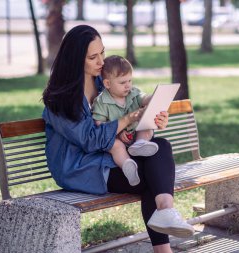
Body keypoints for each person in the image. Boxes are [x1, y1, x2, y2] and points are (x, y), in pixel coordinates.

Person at [42, 25, 194, 253]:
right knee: (151, 178)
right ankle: (164, 245)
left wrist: (153, 117)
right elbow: (90, 140)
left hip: (111, 156)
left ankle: (165, 210)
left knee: (160, 145)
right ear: (75, 60)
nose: (102, 61)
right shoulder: (59, 101)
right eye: (93, 57)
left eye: (102, 52)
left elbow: (131, 105)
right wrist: (125, 120)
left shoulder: (102, 83)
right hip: (83, 168)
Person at [92, 55, 158, 186]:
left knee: (147, 126)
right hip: (115, 138)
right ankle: (128, 166)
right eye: (122, 83)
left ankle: (140, 144)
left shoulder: (133, 93)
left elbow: (144, 98)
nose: (128, 86)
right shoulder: (101, 102)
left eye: (130, 81)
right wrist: (117, 133)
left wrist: (154, 97)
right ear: (107, 84)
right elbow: (99, 126)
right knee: (116, 146)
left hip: (135, 135)